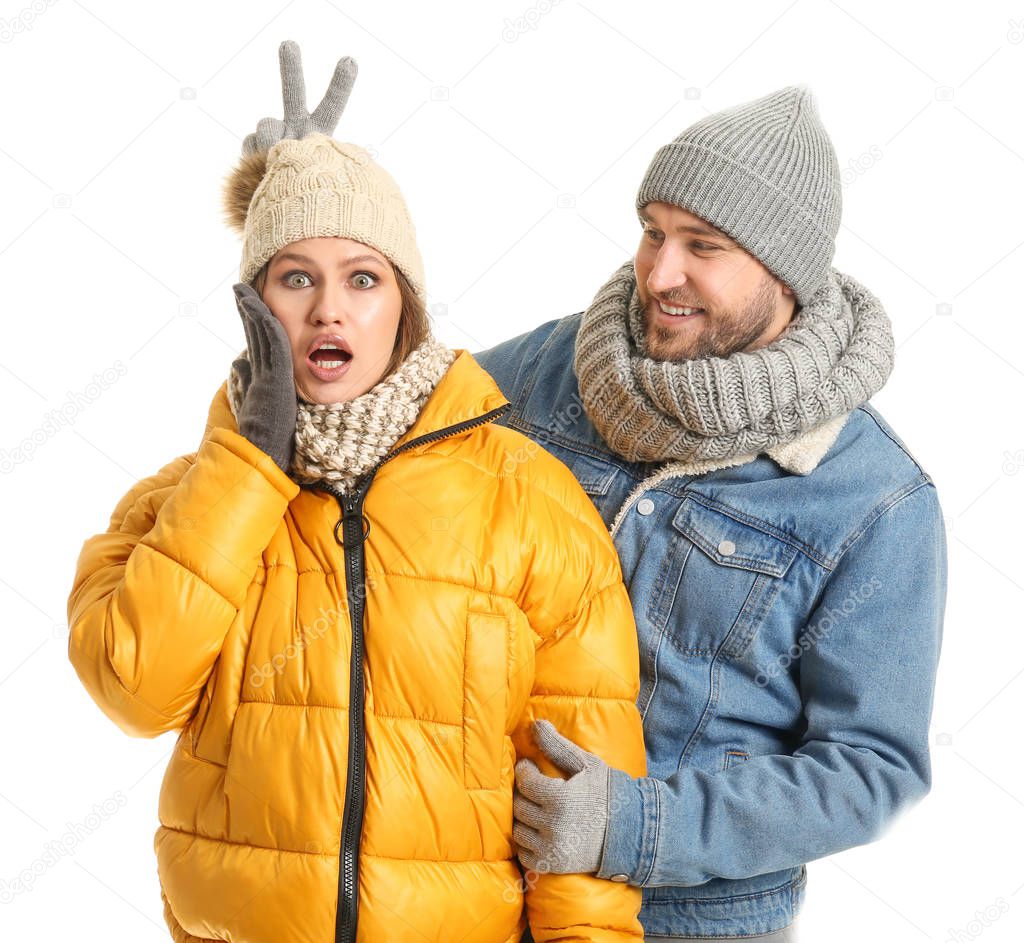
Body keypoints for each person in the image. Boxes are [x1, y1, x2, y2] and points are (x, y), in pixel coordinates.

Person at [66, 41, 646, 943]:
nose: (329, 309)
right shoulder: (183, 501)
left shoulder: (529, 500)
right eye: (295, 278)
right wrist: (248, 464)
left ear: (404, 307)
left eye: (362, 279)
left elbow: (581, 789)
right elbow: (133, 689)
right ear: (255, 306)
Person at [474, 85, 947, 941]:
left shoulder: (873, 498)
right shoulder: (554, 367)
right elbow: (383, 411)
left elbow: (871, 767)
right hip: (479, 883)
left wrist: (638, 826)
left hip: (685, 921)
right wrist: (306, 218)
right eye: (653, 230)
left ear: (785, 275)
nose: (658, 273)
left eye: (704, 247)